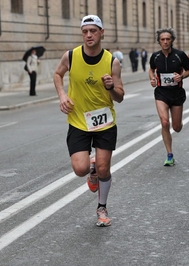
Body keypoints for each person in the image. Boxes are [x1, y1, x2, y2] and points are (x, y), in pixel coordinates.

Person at [53, 15, 124, 227]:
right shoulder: (71, 56)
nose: (89, 35)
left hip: (105, 122)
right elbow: (57, 74)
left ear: (102, 33)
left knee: (104, 169)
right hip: (78, 121)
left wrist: (111, 87)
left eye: (93, 31)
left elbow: (120, 97)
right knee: (80, 169)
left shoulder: (112, 61)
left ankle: (101, 207)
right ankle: (90, 169)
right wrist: (62, 95)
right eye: (85, 31)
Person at [148, 28, 189, 166]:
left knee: (176, 127)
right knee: (165, 122)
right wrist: (152, 79)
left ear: (172, 40)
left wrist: (182, 76)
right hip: (161, 93)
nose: (165, 42)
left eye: (168, 39)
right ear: (159, 41)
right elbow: (151, 69)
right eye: (162, 39)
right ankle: (169, 154)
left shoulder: (179, 55)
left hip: (177, 94)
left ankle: (178, 122)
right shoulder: (155, 56)